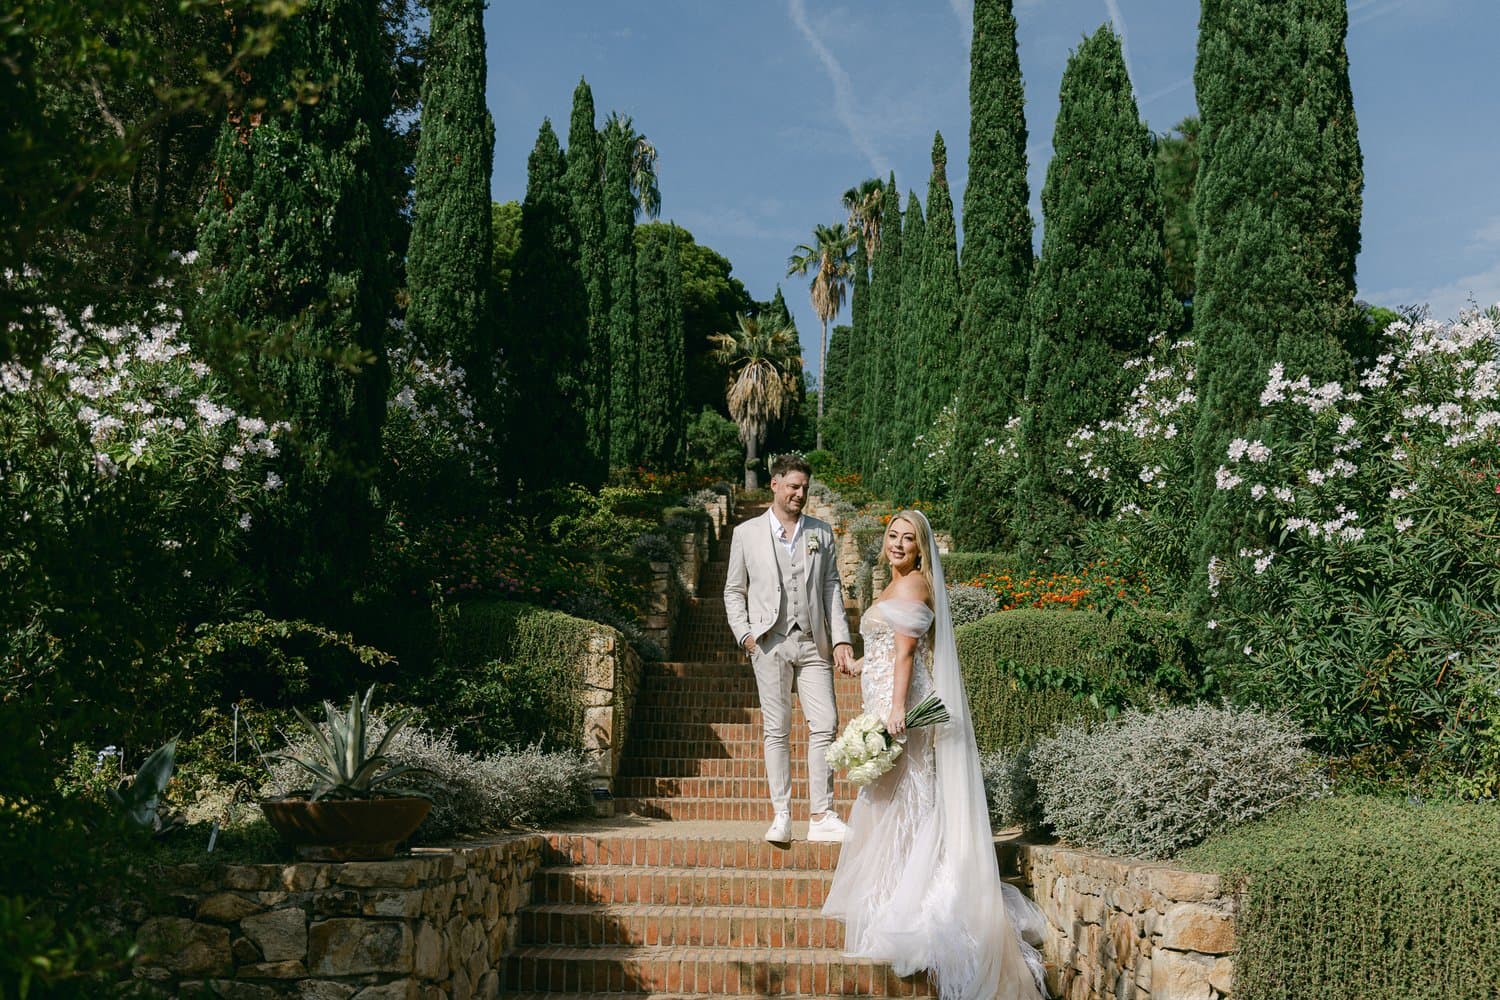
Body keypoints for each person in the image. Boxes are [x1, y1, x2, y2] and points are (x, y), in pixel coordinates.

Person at [823, 510, 1048, 1000]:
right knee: (891, 804)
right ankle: (893, 899)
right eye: (892, 536)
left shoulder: (912, 587)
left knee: (904, 804)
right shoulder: (896, 584)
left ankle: (912, 906)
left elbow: (906, 654)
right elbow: (888, 650)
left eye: (908, 538)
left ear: (922, 547)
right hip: (886, 702)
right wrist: (858, 662)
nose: (897, 544)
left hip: (900, 711)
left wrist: (896, 712)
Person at [724, 454, 854, 844]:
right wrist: (745, 634)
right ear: (775, 484)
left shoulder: (821, 532)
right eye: (794, 486)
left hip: (813, 641)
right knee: (777, 730)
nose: (800, 494)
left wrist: (842, 637)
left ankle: (822, 814)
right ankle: (782, 814)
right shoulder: (746, 534)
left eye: (805, 488)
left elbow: (832, 585)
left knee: (826, 724)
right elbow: (734, 590)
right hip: (768, 642)